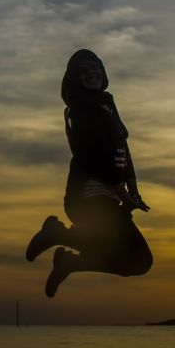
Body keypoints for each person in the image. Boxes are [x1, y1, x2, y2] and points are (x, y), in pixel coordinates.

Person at [26, 49, 153, 297]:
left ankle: (70, 262)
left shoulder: (106, 103)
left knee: (138, 262)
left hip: (112, 198)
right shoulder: (80, 109)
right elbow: (90, 155)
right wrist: (120, 190)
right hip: (88, 200)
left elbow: (121, 145)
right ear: (74, 78)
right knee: (136, 259)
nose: (91, 73)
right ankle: (56, 234)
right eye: (83, 70)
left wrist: (132, 187)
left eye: (95, 67)